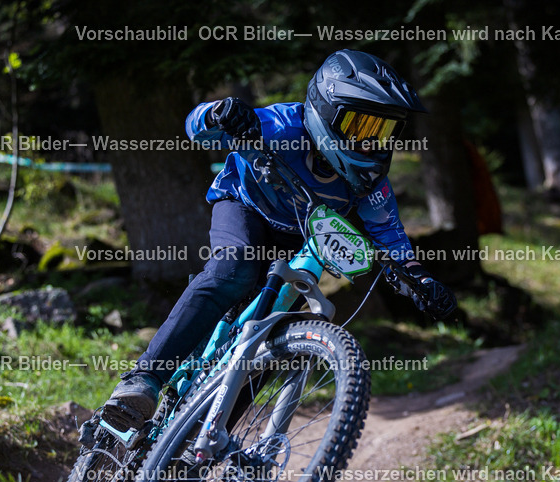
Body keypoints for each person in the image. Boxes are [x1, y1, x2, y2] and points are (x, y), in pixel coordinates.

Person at [102, 49, 458, 432]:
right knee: (232, 270)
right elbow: (195, 127)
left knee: (272, 336)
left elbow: (391, 239)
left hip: (302, 236)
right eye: (361, 127)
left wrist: (420, 279)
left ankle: (200, 442)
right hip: (244, 206)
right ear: (326, 110)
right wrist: (219, 112)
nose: (371, 142)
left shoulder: (372, 186)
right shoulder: (279, 125)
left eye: (383, 131)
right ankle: (143, 381)